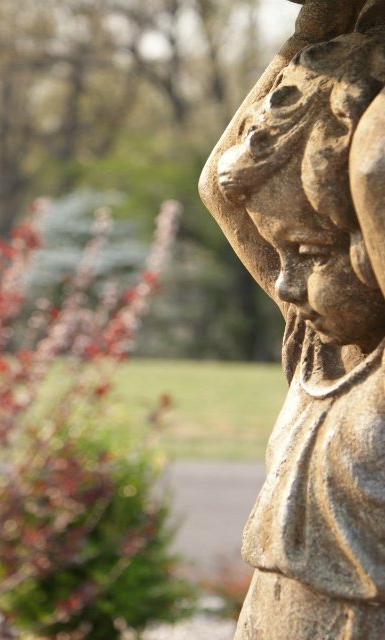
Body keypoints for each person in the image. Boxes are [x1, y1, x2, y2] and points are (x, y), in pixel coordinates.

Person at [199, 1, 385, 637]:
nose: (284, 283)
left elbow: (375, 166)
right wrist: (315, 31)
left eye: (308, 253)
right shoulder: (322, 347)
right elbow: (218, 190)